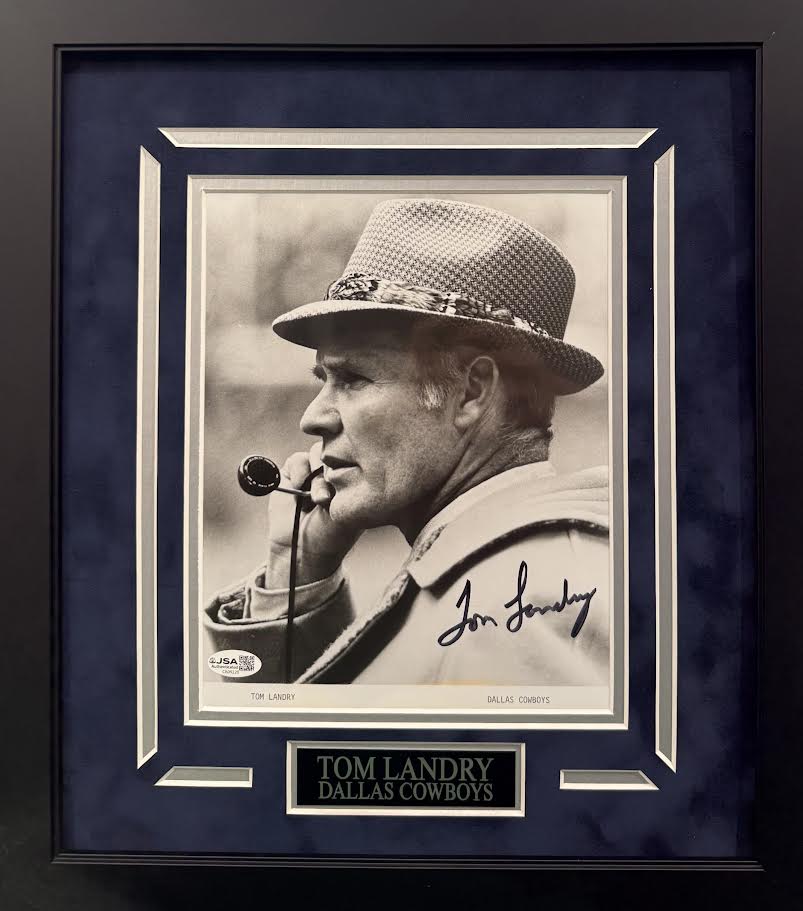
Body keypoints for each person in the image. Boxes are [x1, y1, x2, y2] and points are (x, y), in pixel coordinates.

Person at [204, 197, 610, 685]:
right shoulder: (498, 571)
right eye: (323, 380)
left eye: (353, 379)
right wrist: (297, 575)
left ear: (472, 392)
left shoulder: (518, 603)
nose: (312, 418)